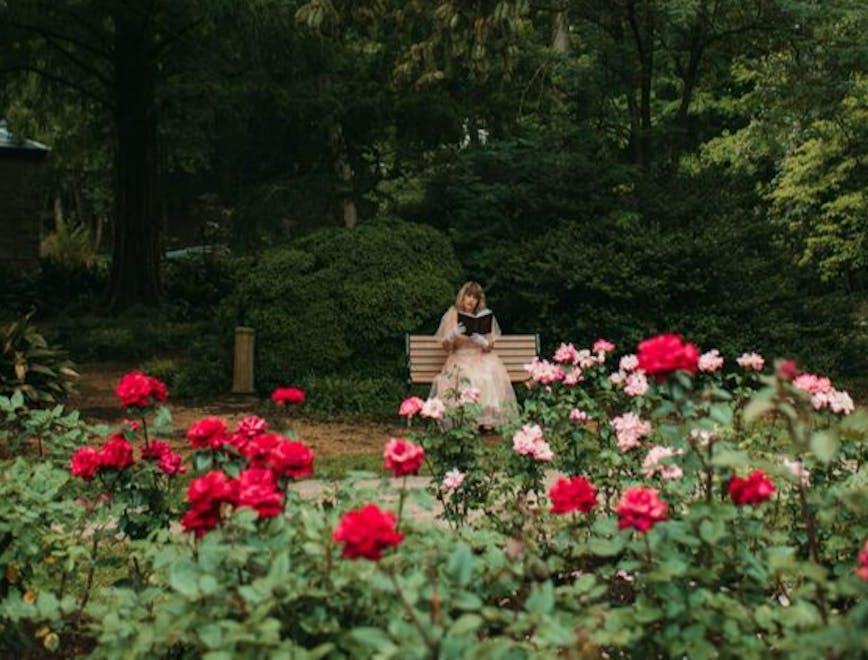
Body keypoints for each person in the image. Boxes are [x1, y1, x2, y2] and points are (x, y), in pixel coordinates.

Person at [431, 281, 518, 428]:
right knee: (468, 377)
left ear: (478, 301)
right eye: (468, 295)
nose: (471, 300)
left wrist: (482, 341)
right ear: (462, 297)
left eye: (474, 297)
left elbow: (490, 346)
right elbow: (446, 347)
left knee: (487, 375)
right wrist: (451, 335)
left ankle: (484, 420)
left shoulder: (483, 316)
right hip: (459, 357)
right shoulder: (452, 314)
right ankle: (464, 419)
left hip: (480, 356)